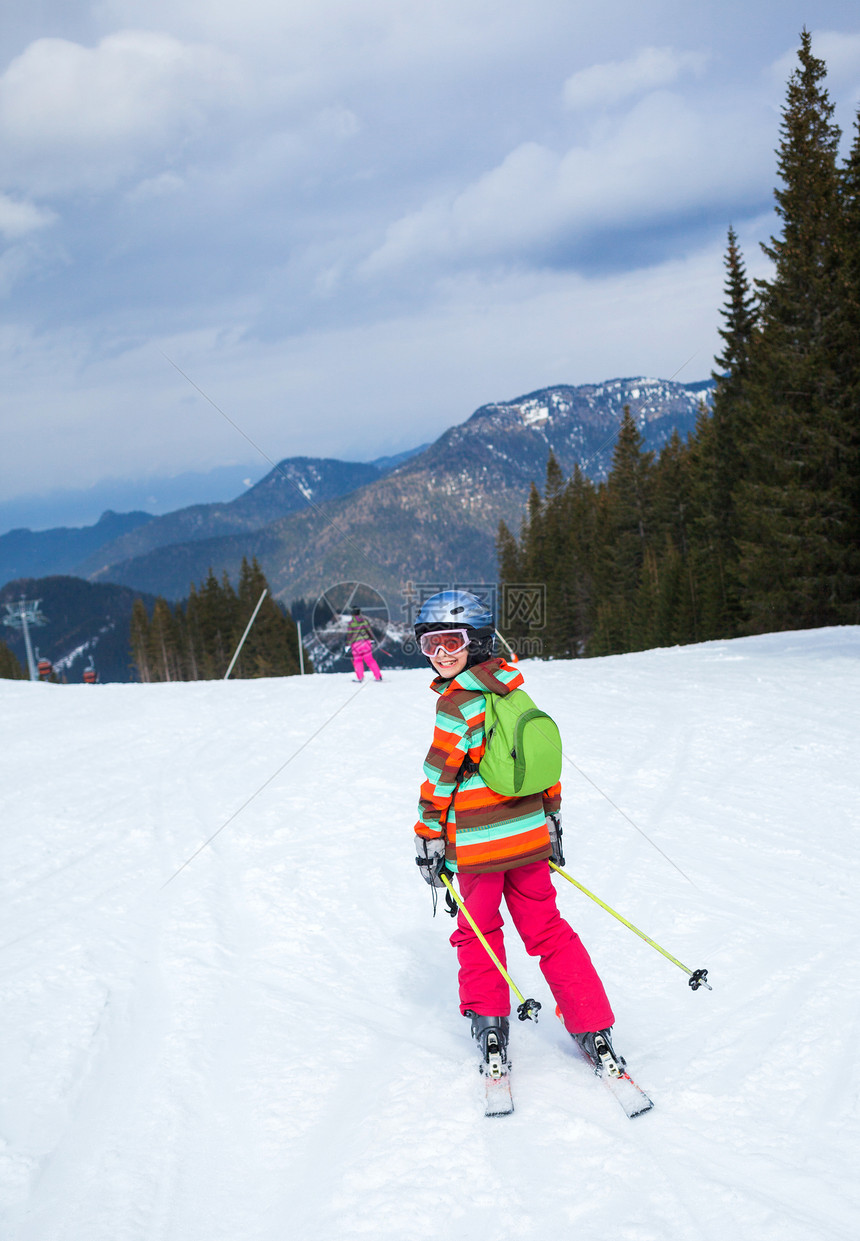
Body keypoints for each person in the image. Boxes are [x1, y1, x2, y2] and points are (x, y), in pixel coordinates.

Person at [412, 589, 622, 1075]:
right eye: (430, 645)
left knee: (478, 932)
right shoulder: (515, 690)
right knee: (548, 929)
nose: (442, 655)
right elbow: (545, 763)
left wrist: (428, 836)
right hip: (528, 840)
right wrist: (552, 817)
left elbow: (440, 775)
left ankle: (490, 1024)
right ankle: (592, 1023)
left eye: (452, 641)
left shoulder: (458, 704)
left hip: (480, 849)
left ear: (479, 641)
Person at [345, 606, 382, 682]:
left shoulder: (351, 623)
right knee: (370, 660)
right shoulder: (364, 621)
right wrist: (372, 640)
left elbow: (349, 635)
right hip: (366, 643)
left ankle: (360, 678)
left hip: (356, 645)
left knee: (358, 661)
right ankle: (378, 676)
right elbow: (369, 631)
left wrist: (348, 644)